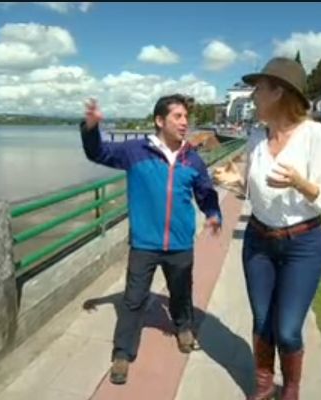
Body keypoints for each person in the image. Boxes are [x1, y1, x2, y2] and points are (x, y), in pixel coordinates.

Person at [80, 94, 222, 385]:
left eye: (186, 117)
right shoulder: (135, 151)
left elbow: (205, 192)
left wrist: (213, 213)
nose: (184, 122)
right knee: (133, 300)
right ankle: (122, 353)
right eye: (177, 116)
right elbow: (98, 153)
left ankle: (183, 328)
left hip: (180, 243)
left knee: (181, 292)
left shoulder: (192, 159)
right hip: (144, 243)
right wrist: (91, 129)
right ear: (159, 120)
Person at [239, 57, 321, 400]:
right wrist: (233, 182)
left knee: (288, 328)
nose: (253, 96)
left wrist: (298, 182)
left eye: (258, 89)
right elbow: (250, 188)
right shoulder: (256, 137)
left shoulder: (314, 135)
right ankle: (264, 383)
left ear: (278, 92)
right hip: (258, 241)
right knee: (262, 319)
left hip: (302, 245)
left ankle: (291, 387)